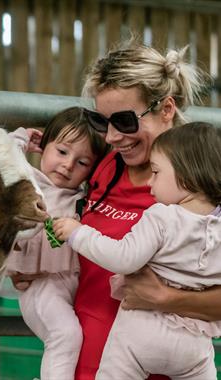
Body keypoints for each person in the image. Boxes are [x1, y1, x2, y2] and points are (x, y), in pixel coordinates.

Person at [10, 39, 216, 380]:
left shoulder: (202, 185)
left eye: (123, 120)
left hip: (155, 367)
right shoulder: (104, 166)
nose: (111, 136)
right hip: (82, 365)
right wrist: (34, 263)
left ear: (166, 108)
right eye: (101, 120)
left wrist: (167, 298)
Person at [53, 122, 221, 379]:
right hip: (195, 347)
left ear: (186, 178)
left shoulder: (161, 216)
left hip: (140, 335)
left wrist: (78, 233)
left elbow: (124, 258)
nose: (151, 182)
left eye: (156, 172)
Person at [0, 107, 108, 380]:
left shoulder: (82, 196)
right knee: (65, 335)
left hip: (72, 284)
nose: (68, 165)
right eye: (62, 151)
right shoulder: (28, 182)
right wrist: (23, 138)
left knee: (79, 338)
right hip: (39, 284)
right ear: (44, 147)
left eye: (82, 162)